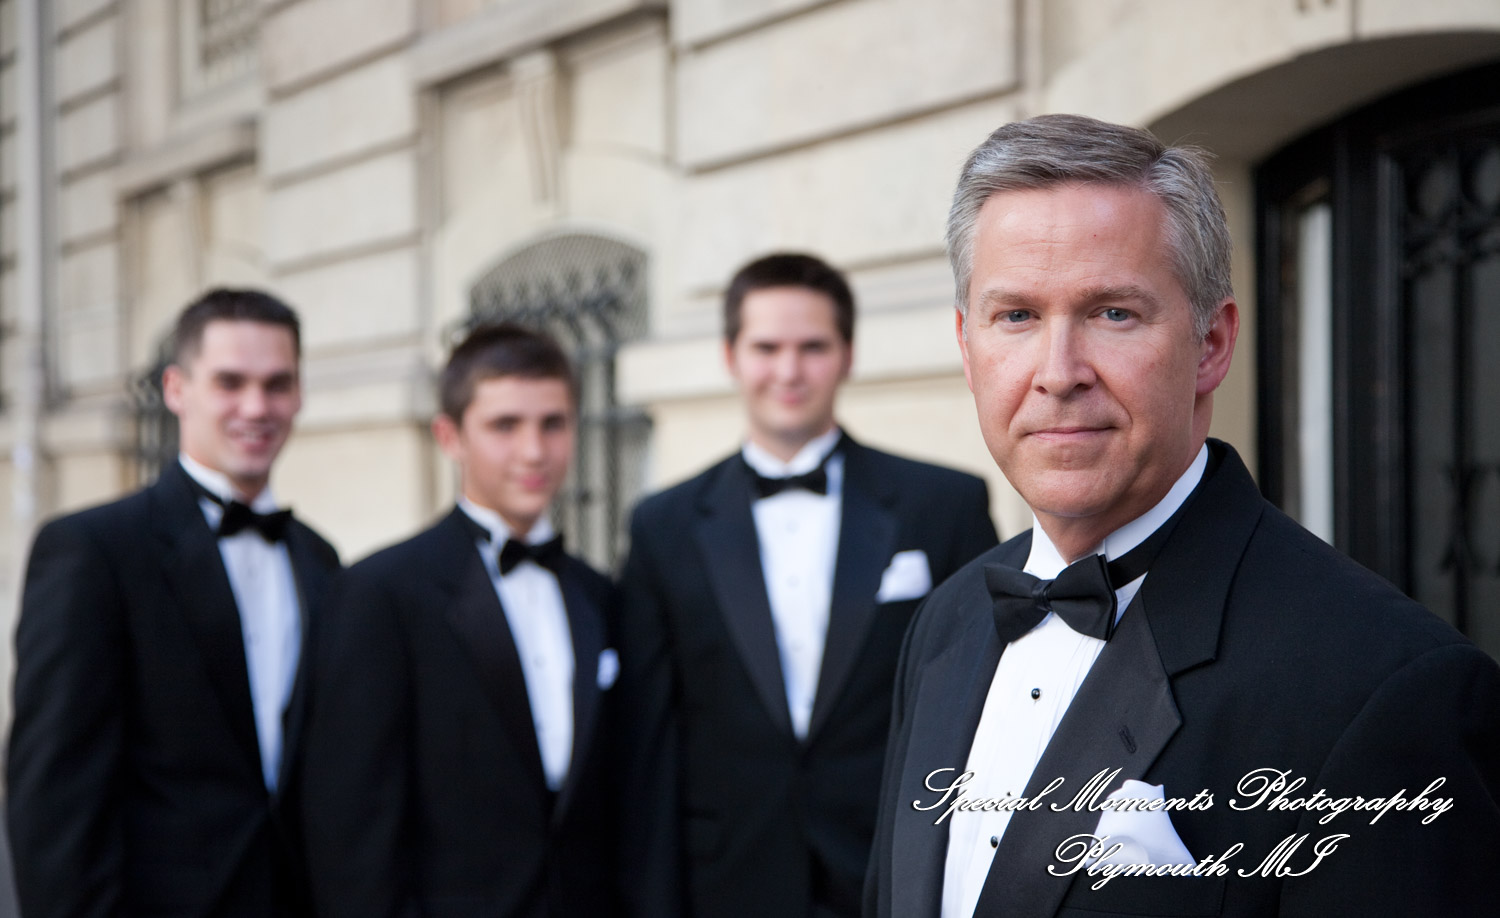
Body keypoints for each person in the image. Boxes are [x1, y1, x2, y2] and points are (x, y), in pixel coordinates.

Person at [864, 113, 1500, 918]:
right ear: (967, 346)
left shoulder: (1387, 689)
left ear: (1211, 343)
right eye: (1016, 316)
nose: (1058, 374)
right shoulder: (943, 626)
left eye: (1113, 313)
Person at [616, 252, 999, 918]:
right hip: (725, 883)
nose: (789, 371)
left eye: (812, 347)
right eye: (766, 347)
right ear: (730, 355)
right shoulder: (661, 527)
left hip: (898, 874)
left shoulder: (944, 506)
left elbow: (985, 707)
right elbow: (648, 746)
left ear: (847, 355)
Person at [7, 288, 341, 918]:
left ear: (298, 394)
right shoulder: (92, 549)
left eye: (277, 384)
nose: (256, 406)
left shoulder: (318, 560)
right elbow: (54, 796)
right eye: (230, 382)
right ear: (176, 389)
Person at [300, 323, 617, 918]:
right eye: (505, 426)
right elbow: (351, 827)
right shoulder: (378, 593)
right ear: (450, 436)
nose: (534, 451)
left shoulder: (597, 594)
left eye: (553, 423)